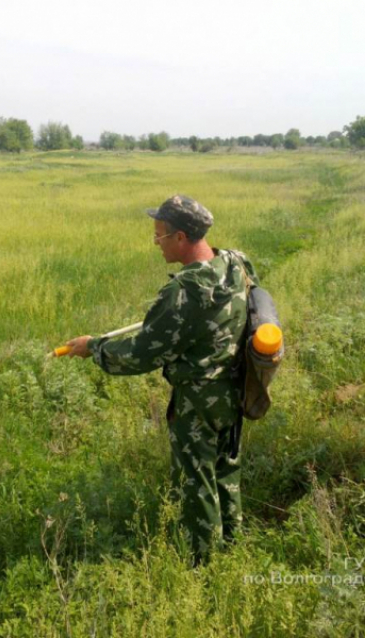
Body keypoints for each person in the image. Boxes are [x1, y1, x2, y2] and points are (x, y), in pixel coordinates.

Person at [65, 195, 259, 561]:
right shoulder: (235, 262)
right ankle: (232, 548)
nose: (156, 243)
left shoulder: (182, 292)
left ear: (181, 237)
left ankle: (204, 563)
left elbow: (142, 353)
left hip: (198, 400)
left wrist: (94, 347)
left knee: (197, 482)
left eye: (160, 236)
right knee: (225, 470)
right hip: (235, 389)